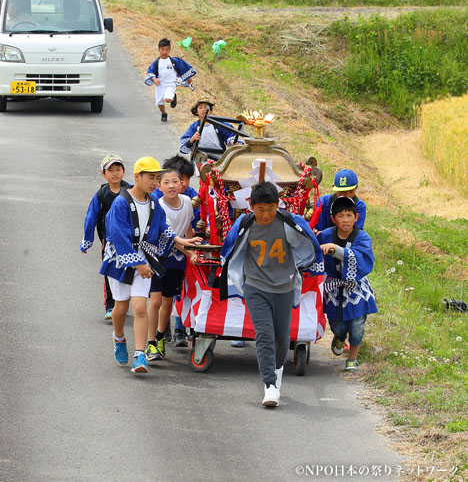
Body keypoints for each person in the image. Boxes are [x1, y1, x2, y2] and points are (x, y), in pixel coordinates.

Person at [218, 182, 324, 407]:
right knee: (264, 334)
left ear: (278, 205)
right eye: (260, 210)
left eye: (270, 209)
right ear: (251, 207)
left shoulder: (288, 223)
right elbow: (232, 248)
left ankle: (277, 372)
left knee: (282, 338)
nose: (265, 215)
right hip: (256, 287)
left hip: (284, 288)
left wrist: (307, 263)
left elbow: (306, 245)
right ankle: (269, 385)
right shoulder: (245, 225)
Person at [100, 157, 201, 374]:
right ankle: (119, 338)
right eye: (151, 177)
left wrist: (181, 241)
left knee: (139, 306)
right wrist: (136, 264)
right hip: (120, 260)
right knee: (121, 307)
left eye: (157, 178)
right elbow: (118, 235)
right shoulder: (121, 202)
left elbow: (162, 227)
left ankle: (139, 355)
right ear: (137, 177)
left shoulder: (154, 203)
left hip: (143, 257)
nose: (154, 182)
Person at [316, 196, 377, 371]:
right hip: (334, 288)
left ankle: (352, 358)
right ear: (334, 219)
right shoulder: (326, 235)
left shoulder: (362, 237)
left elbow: (363, 257)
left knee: (357, 326)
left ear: (356, 217)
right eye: (340, 216)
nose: (345, 220)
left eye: (349, 215)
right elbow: (314, 253)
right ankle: (340, 337)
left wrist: (337, 250)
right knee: (337, 325)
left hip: (355, 288)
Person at [145, 165, 195, 361]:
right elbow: (173, 237)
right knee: (155, 300)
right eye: (166, 182)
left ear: (182, 183)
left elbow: (188, 227)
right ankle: (150, 343)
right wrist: (189, 250)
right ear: (159, 185)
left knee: (168, 300)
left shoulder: (187, 202)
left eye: (175, 181)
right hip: (158, 257)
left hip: (177, 260)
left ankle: (159, 337)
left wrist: (192, 247)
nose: (171, 186)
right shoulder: (158, 207)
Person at [81, 154, 130, 320]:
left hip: (130, 240)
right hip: (108, 241)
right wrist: (87, 240)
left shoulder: (130, 191)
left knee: (128, 270)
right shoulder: (101, 194)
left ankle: (124, 301)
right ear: (104, 174)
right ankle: (111, 306)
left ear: (124, 171)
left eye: (118, 169)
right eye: (111, 170)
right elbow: (91, 217)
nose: (115, 173)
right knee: (110, 272)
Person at [144, 39, 195, 122]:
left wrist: (188, 79)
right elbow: (150, 72)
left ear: (169, 50)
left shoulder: (174, 61)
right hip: (160, 84)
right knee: (159, 102)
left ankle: (173, 97)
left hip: (171, 83)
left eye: (167, 50)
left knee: (167, 99)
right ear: (159, 50)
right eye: (162, 49)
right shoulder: (156, 62)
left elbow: (184, 69)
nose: (165, 52)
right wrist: (154, 79)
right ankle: (163, 113)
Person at [310, 169, 367, 233]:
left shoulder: (359, 206)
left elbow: (355, 232)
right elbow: (315, 226)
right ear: (334, 187)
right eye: (342, 192)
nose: (346, 195)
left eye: (351, 192)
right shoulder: (323, 202)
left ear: (356, 188)